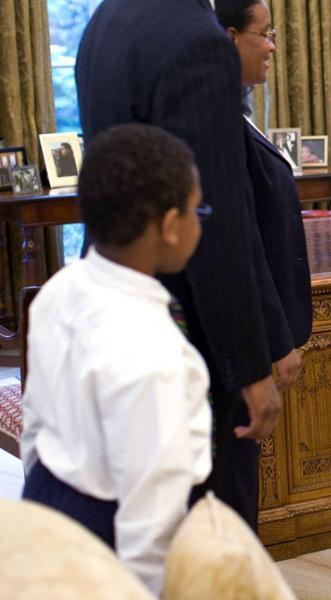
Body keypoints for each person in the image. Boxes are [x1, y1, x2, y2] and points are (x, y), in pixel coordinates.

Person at [76, 0, 283, 529]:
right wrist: (250, 366)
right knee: (213, 518)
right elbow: (217, 216)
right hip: (187, 322)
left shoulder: (106, 19)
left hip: (116, 298)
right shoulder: (198, 40)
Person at [20, 123, 211, 595]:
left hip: (47, 495)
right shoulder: (155, 351)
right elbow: (152, 514)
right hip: (110, 532)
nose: (200, 221)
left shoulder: (59, 290)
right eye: (197, 210)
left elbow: (35, 423)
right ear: (170, 226)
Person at [216, 0, 311, 393]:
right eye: (265, 33)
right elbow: (241, 240)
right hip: (250, 339)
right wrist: (276, 338)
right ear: (231, 37)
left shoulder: (236, 112)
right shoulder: (218, 121)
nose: (272, 45)